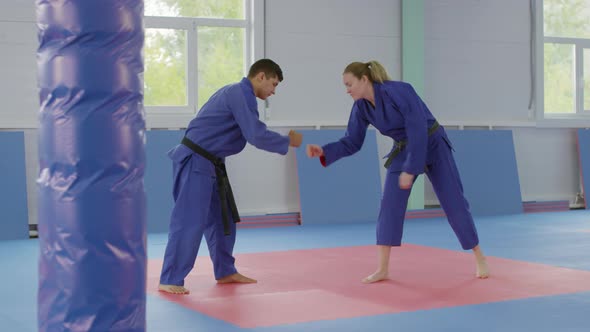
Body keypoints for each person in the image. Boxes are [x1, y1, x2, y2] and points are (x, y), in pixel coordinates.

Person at [306, 61, 489, 283]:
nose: (347, 90)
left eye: (349, 84)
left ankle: (479, 256)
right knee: (389, 205)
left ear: (364, 79)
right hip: (403, 147)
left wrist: (411, 169)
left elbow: (417, 130)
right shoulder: (361, 107)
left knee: (454, 201)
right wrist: (325, 150)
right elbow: (353, 141)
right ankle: (382, 269)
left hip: (432, 142)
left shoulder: (400, 91)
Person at [158, 59, 303, 294]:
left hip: (212, 164)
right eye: (273, 84)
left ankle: (225, 271)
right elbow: (255, 134)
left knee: (222, 220)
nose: (274, 91)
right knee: (189, 222)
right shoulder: (238, 92)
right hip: (195, 161)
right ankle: (170, 278)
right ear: (261, 76)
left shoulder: (241, 95)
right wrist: (287, 141)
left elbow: (251, 131)